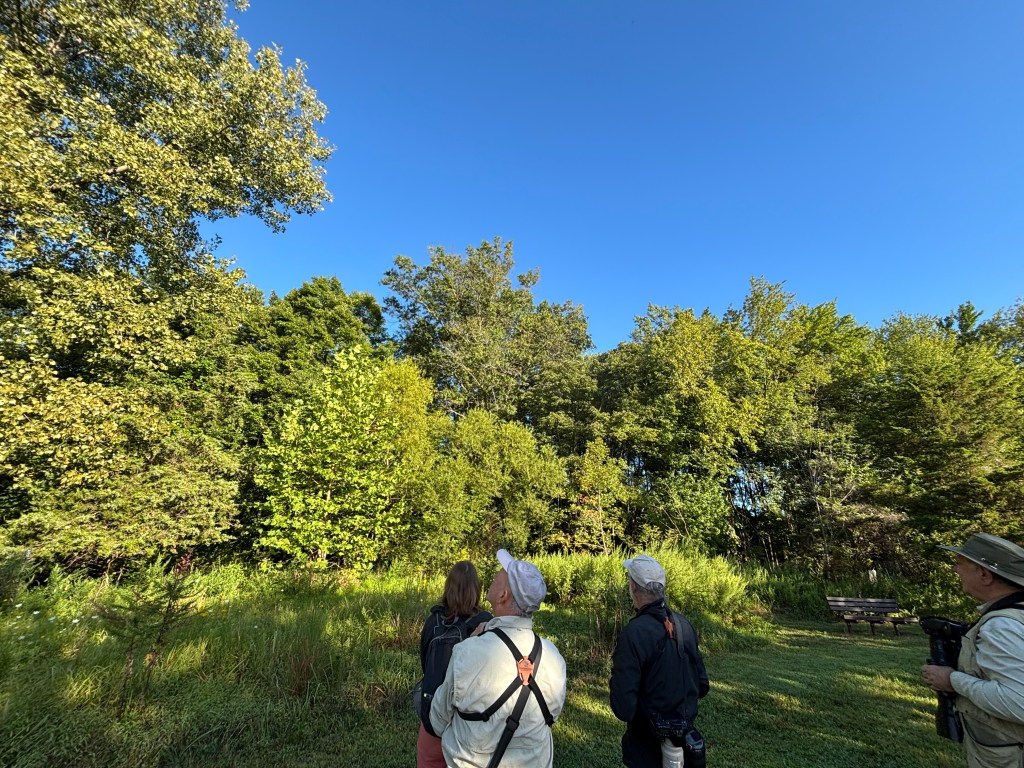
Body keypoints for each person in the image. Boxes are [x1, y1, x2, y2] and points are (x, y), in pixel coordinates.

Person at [429, 549, 567, 768]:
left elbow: (437, 720)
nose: (494, 575)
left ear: (503, 595)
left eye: (499, 575)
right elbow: (552, 716)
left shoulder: (467, 651)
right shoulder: (553, 657)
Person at [921, 533, 1024, 768]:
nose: (955, 570)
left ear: (985, 574)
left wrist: (952, 680)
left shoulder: (1002, 626)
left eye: (960, 564)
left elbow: (1018, 702)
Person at [610, 554, 710, 768]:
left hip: (646, 749)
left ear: (633, 586)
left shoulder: (633, 633)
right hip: (686, 742)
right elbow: (702, 685)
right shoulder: (684, 625)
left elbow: (623, 708)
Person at [417, 561, 493, 768]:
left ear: (448, 587)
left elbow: (425, 662)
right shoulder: (486, 623)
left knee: (429, 761)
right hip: (470, 719)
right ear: (477, 589)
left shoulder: (433, 622)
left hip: (433, 714)